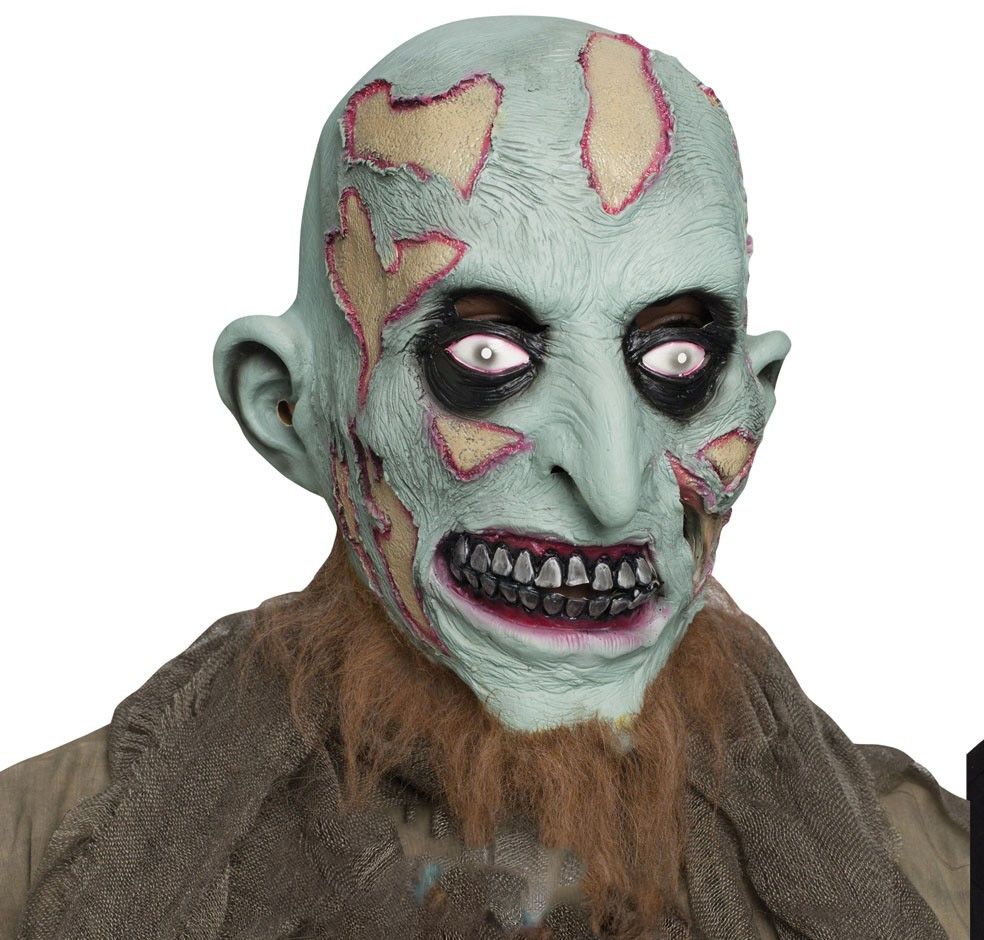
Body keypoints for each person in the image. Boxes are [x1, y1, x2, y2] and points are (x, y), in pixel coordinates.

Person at [0, 15, 969, 939]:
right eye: (485, 354)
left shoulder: (936, 868)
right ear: (286, 405)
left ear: (755, 395)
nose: (611, 483)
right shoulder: (36, 856)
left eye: (677, 358)